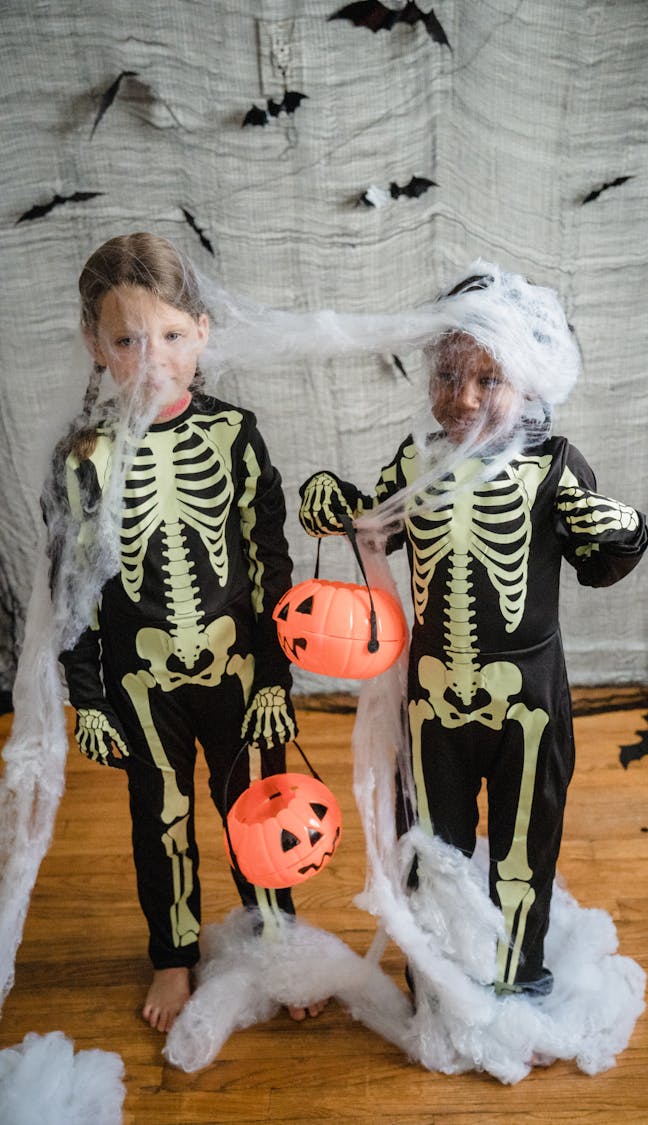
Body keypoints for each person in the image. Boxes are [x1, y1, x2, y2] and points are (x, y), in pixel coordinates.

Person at [298, 262, 648, 998]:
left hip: (527, 700)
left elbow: (598, 559)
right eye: (449, 375)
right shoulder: (416, 463)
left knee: (525, 848)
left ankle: (519, 977)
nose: (463, 398)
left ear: (530, 384)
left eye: (488, 379)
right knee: (435, 845)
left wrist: (625, 531)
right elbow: (374, 526)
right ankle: (441, 976)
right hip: (431, 700)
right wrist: (335, 503)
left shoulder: (555, 468)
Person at [46, 232, 325, 1031]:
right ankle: (173, 952)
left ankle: (276, 935)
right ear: (96, 346)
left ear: (202, 332)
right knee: (158, 813)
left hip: (237, 668)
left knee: (256, 807)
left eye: (171, 335)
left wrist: (275, 677)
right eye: (128, 340)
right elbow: (75, 591)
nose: (153, 357)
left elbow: (271, 564)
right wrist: (89, 699)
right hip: (141, 678)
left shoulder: (235, 436)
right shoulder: (83, 459)